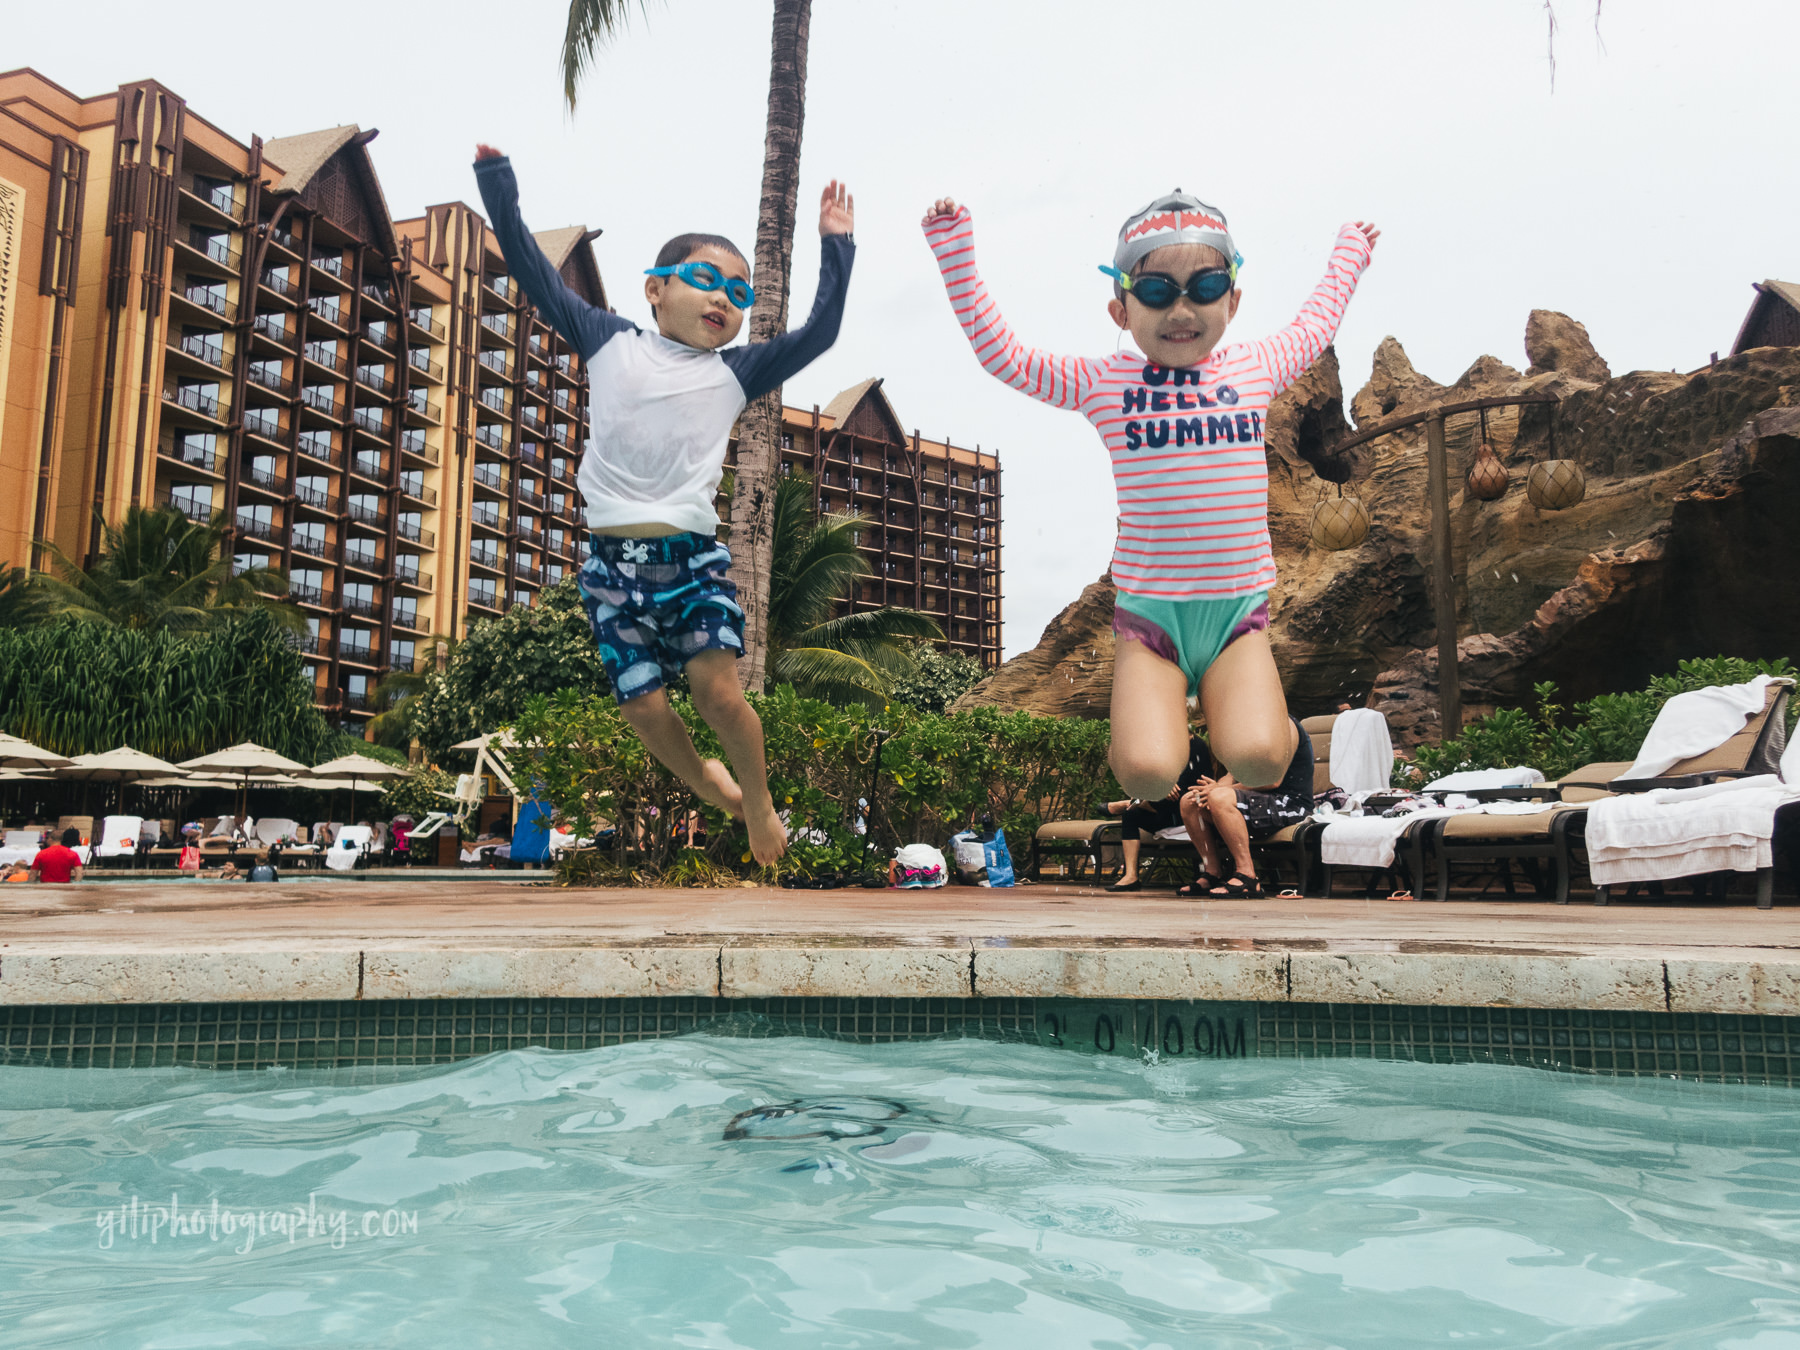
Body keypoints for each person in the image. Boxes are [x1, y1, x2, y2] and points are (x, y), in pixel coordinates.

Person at [922, 193, 1377, 803]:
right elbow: (1004, 356)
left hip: (1235, 616)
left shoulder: (1256, 366)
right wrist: (956, 254)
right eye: (1159, 292)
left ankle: (1269, 728)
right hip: (1150, 618)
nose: (1182, 309)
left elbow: (1316, 322)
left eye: (1205, 286)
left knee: (1259, 760)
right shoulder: (1104, 383)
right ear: (1121, 308)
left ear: (1233, 300)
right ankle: (1154, 730)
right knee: (1145, 774)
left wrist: (1350, 253)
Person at [473, 145, 857, 866]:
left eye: (738, 294)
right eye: (705, 280)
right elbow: (530, 269)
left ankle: (760, 801)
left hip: (690, 563)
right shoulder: (608, 340)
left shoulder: (738, 371)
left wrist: (838, 245)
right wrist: (498, 186)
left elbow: (823, 331)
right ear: (654, 289)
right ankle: (715, 789)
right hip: (611, 567)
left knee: (716, 693)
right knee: (641, 707)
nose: (722, 300)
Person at [1177, 716, 1315, 898]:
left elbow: (1273, 780)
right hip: (1257, 801)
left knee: (1219, 796)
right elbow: (1230, 776)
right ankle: (1213, 873)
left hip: (1289, 804)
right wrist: (1211, 790)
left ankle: (1247, 876)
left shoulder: (1283, 725)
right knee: (1190, 801)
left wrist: (1219, 790)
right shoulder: (1245, 731)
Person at [1099, 734, 1214, 892]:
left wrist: (1162, 788)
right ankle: (1131, 876)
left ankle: (1129, 802)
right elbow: (1147, 777)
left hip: (1190, 810)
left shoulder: (1196, 746)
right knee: (1131, 814)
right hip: (1164, 809)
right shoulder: (1163, 747)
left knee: (1168, 797)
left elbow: (1189, 787)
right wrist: (1162, 785)